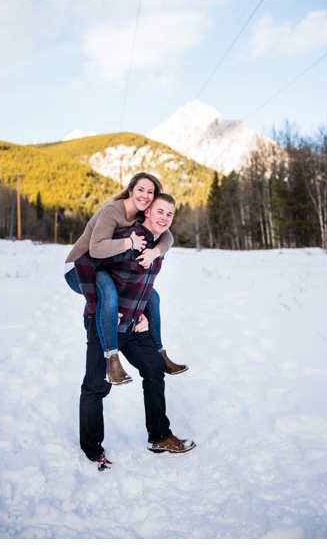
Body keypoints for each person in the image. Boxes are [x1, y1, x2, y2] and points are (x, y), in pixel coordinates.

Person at [76, 194, 195, 470]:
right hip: (103, 324)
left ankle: (160, 437)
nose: (165, 218)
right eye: (160, 212)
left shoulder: (157, 245)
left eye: (170, 214)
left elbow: (140, 285)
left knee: (154, 368)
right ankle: (92, 450)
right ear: (147, 211)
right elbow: (85, 263)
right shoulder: (129, 238)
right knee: (97, 385)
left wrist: (141, 311)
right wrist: (103, 302)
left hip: (131, 323)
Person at [64, 172, 186, 384]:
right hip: (81, 267)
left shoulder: (141, 214)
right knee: (109, 296)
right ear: (130, 191)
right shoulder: (112, 211)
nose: (145, 195)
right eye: (141, 190)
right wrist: (129, 243)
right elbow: (95, 249)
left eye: (150, 192)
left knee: (153, 297)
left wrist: (155, 252)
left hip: (105, 265)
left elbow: (168, 235)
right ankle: (112, 360)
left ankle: (160, 354)